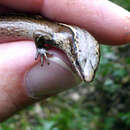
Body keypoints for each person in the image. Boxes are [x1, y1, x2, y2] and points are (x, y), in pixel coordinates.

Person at [0, 0, 129, 122]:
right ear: (73, 53)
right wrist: (41, 49)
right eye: (78, 64)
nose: (86, 76)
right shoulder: (60, 37)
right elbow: (39, 34)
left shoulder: (67, 38)